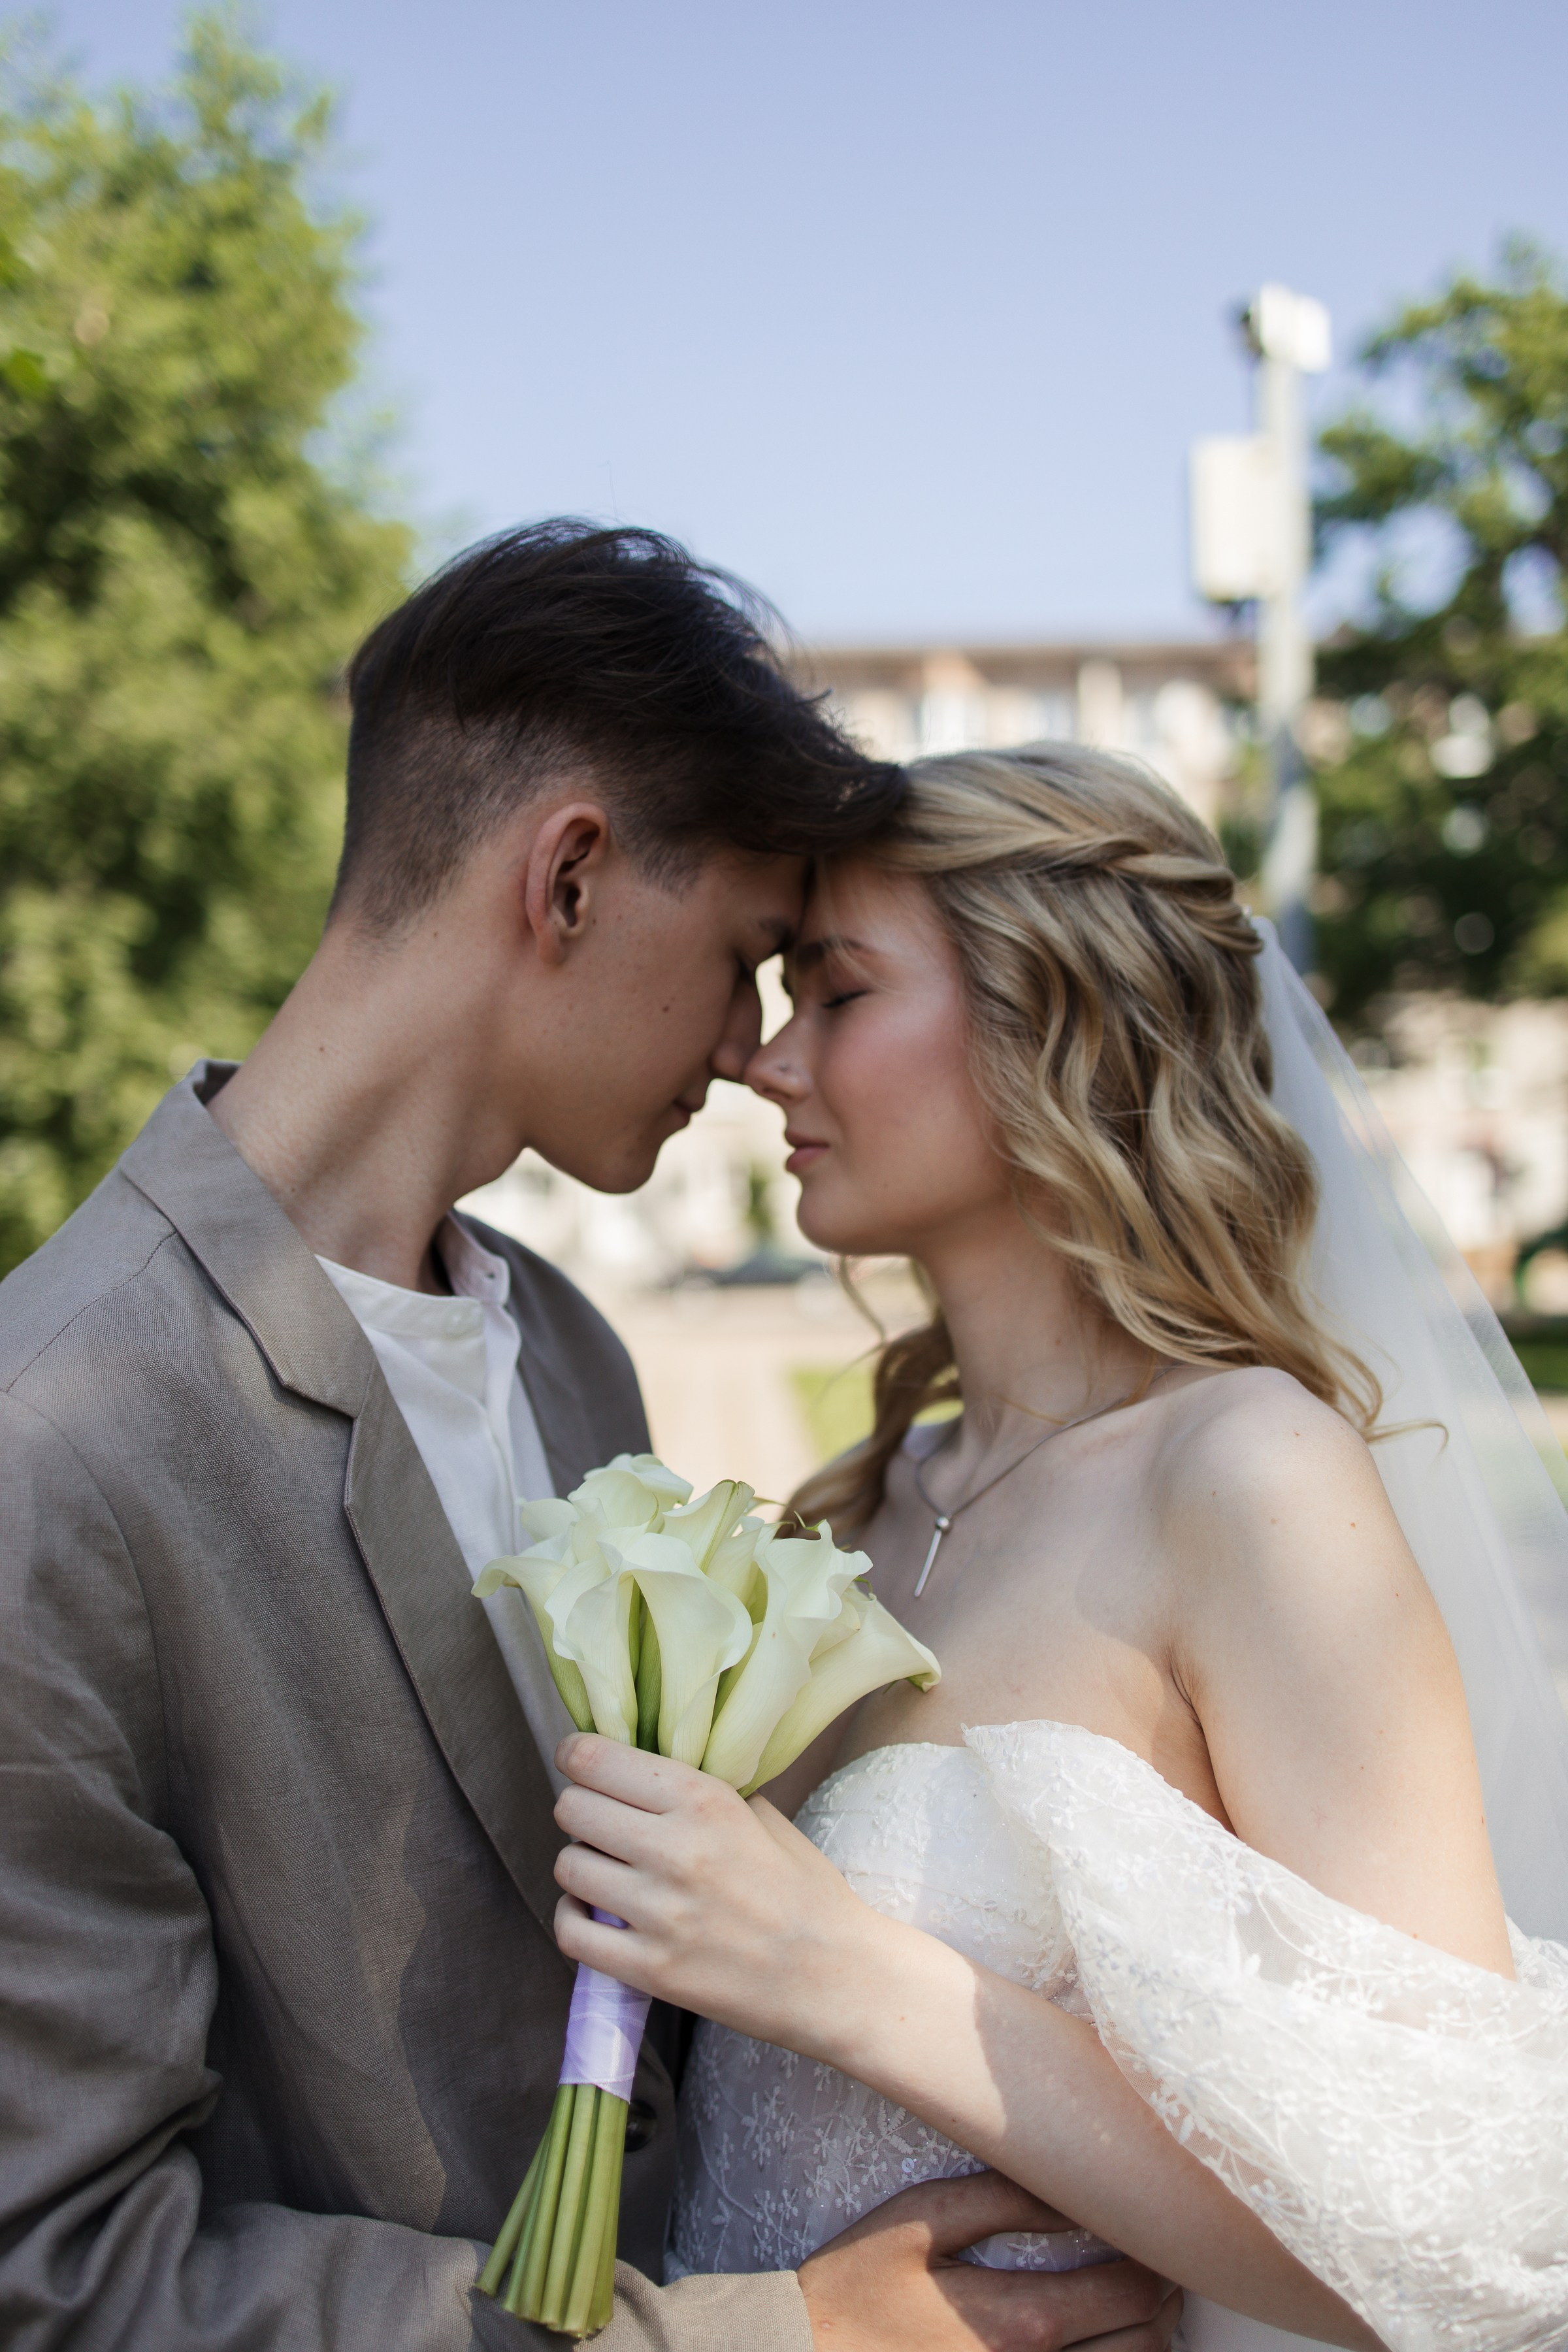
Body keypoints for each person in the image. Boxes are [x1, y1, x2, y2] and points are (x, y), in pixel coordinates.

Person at [0, 535, 1184, 2352]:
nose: (745, 1051)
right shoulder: (53, 1445)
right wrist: (764, 2337)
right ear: (565, 878)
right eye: (742, 962)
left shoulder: (569, 1345)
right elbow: (64, 2278)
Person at [550, 744, 1568, 2351]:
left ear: (1054, 1025)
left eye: (838, 994)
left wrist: (840, 1971)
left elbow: (1463, 2249)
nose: (768, 1064)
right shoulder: (855, 1510)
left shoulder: (1247, 1481)